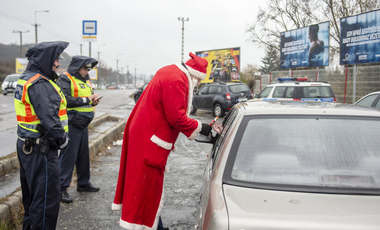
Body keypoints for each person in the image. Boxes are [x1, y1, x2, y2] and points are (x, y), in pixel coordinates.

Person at [111, 52, 218, 230]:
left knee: (144, 186)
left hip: (144, 134)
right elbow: (176, 117)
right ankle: (147, 225)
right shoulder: (177, 80)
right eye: (198, 80)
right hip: (148, 139)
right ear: (193, 74)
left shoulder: (170, 72)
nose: (198, 84)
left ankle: (154, 224)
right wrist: (204, 128)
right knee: (146, 187)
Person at [14, 41, 70, 230]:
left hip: (27, 145)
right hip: (41, 150)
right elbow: (51, 121)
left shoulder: (26, 79)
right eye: (56, 60)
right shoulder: (40, 83)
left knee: (32, 200)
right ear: (46, 60)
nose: (58, 64)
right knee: (46, 202)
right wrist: (62, 141)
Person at [56, 56, 101, 203]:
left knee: (83, 155)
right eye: (85, 68)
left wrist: (93, 100)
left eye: (89, 69)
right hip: (71, 123)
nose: (87, 71)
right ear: (77, 67)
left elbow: (85, 98)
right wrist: (86, 99)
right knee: (68, 156)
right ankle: (61, 188)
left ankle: (83, 183)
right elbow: (65, 100)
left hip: (82, 123)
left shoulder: (85, 80)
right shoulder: (65, 79)